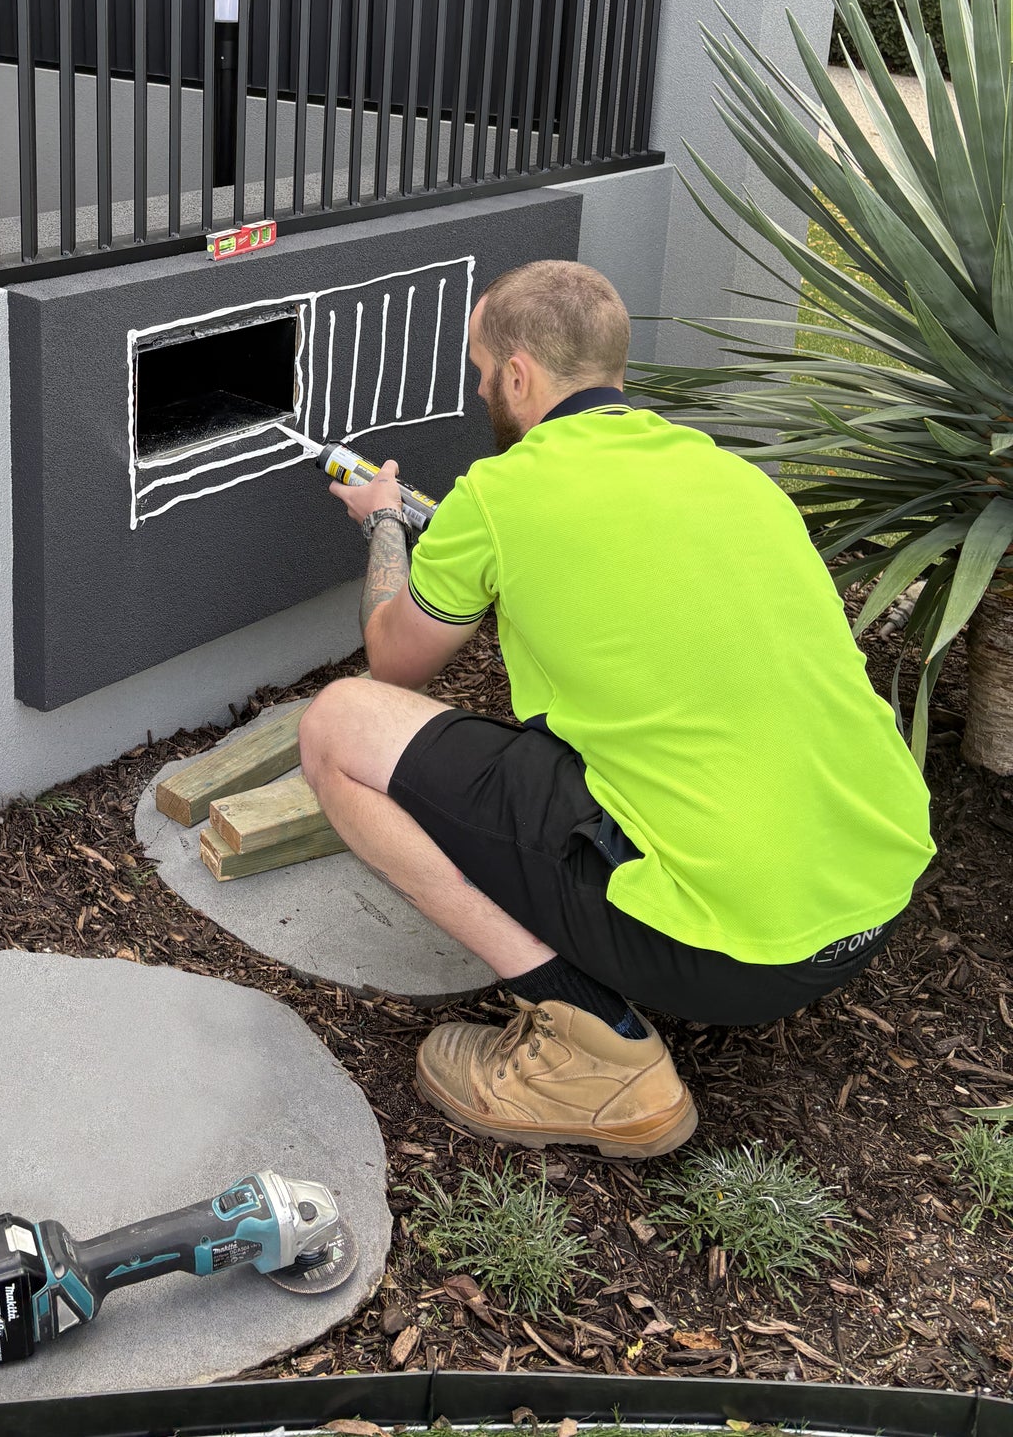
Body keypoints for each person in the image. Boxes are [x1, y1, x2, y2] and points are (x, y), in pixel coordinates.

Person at [300, 258, 934, 1159]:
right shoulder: (737, 480)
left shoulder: (501, 496)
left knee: (334, 727)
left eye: (482, 371)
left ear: (518, 374)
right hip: (866, 903)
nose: (482, 387)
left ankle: (590, 1052)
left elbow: (394, 661)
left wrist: (383, 522)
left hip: (732, 954)